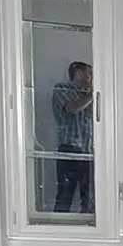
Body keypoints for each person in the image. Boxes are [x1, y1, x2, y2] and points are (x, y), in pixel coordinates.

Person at [50, 60, 95, 215]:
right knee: (65, 195)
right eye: (89, 73)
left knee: (88, 197)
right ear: (79, 72)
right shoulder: (62, 89)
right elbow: (72, 108)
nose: (91, 78)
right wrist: (92, 95)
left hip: (87, 152)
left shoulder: (87, 94)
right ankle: (58, 229)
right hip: (69, 150)